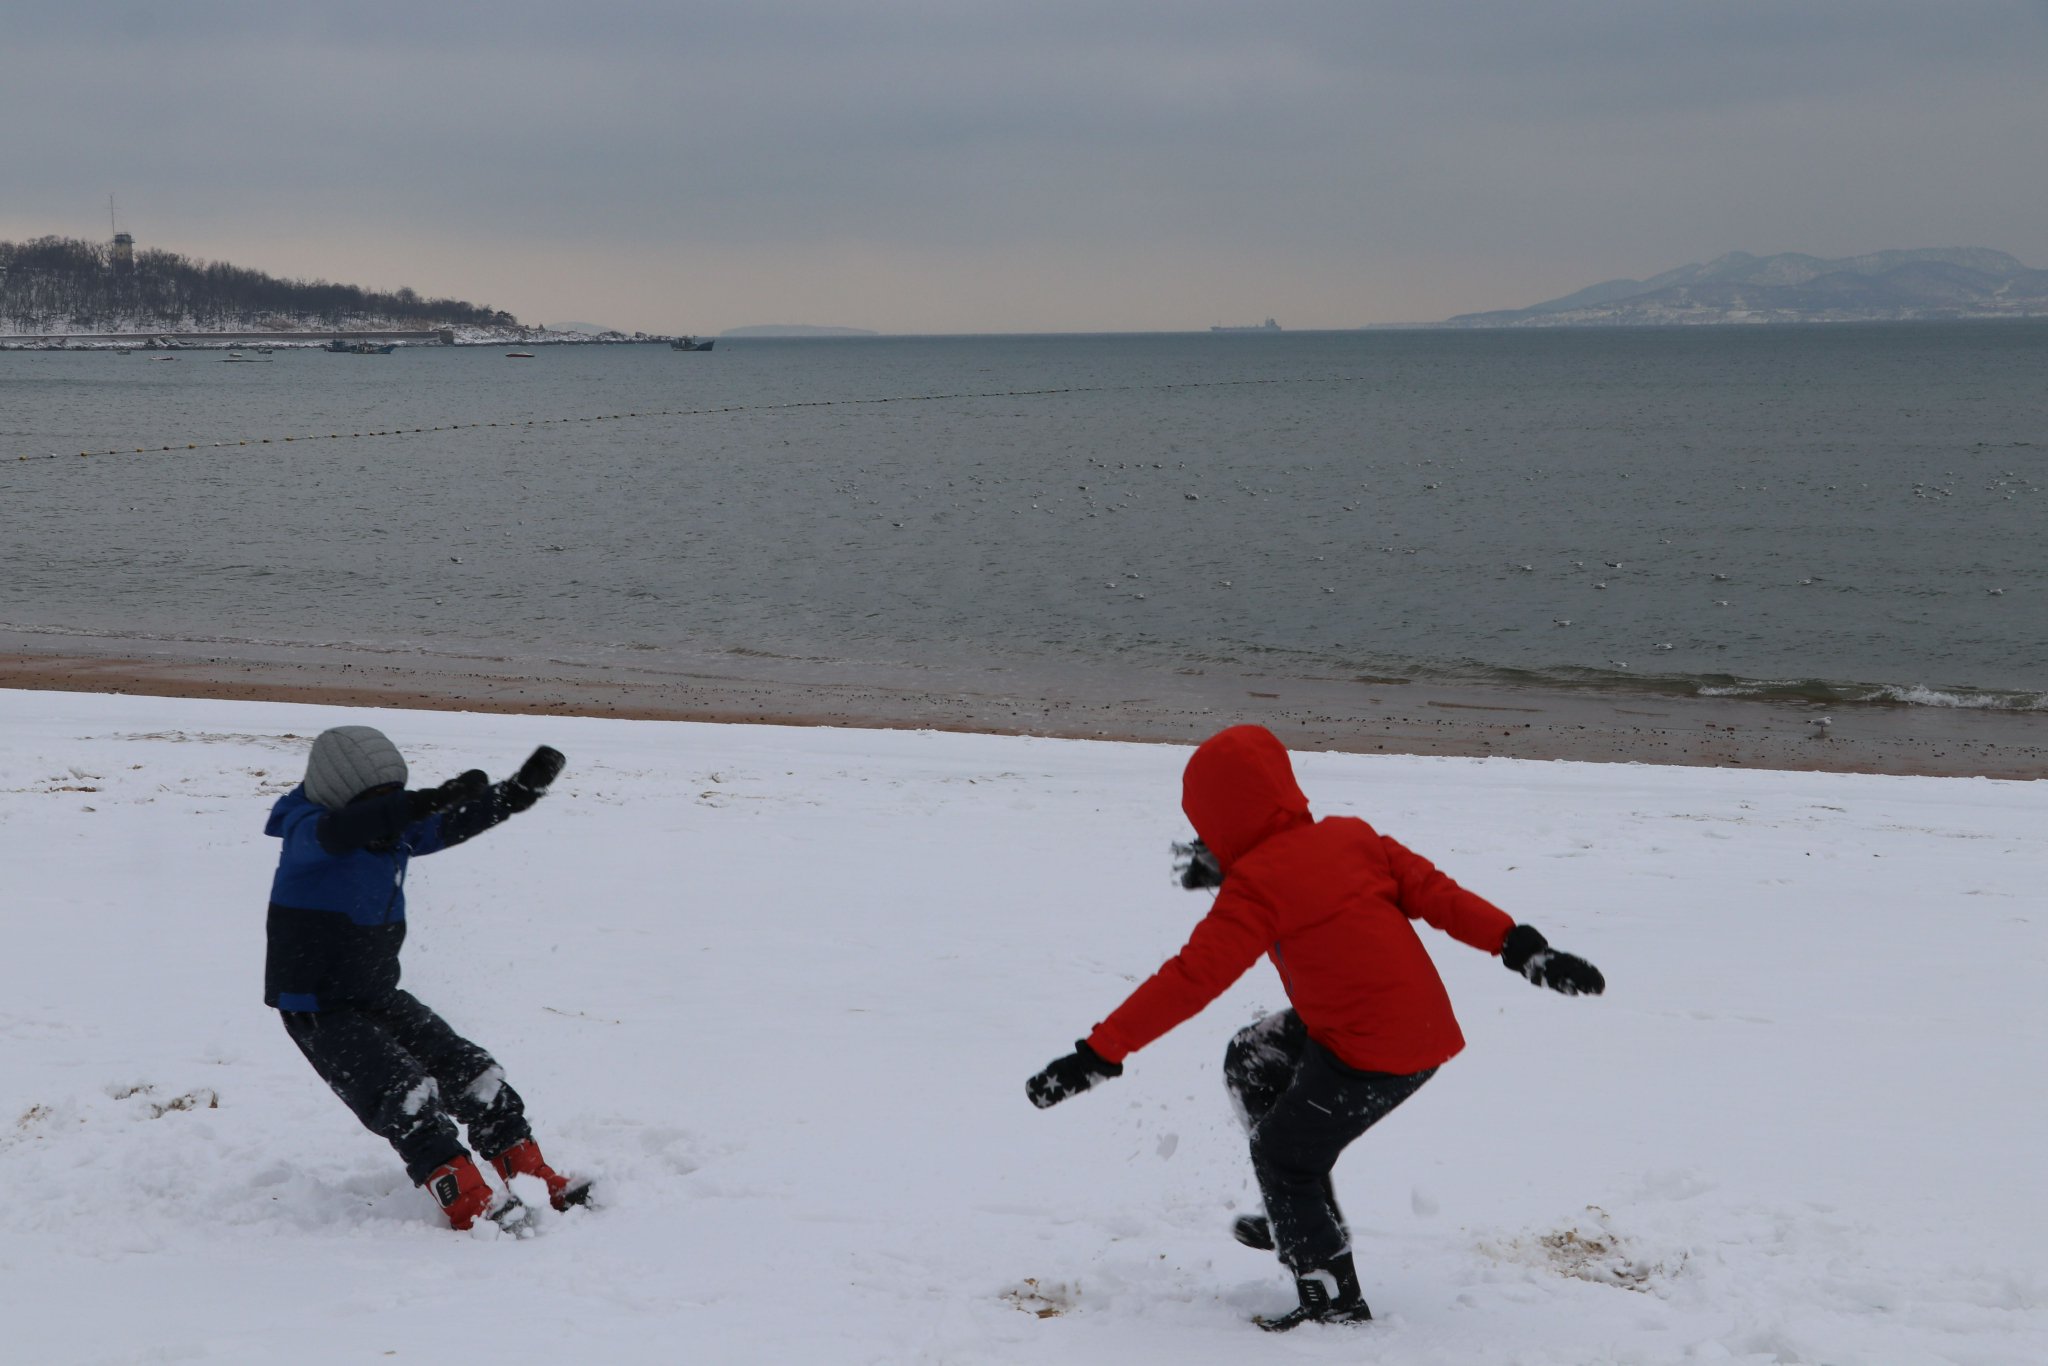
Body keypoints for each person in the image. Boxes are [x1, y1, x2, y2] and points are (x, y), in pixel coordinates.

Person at [1026, 724, 1605, 1330]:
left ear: (1218, 817)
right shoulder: (1351, 839)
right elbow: (1438, 894)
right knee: (1253, 1056)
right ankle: (1296, 1212)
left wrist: (1097, 1054)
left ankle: (1332, 1298)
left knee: (1282, 1155)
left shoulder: (1255, 889)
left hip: (1371, 1051)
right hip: (1412, 1026)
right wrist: (1523, 948)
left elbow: (1190, 979)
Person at [264, 725, 589, 1232]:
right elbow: (348, 828)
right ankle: (465, 1198)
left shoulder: (390, 834)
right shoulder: (311, 833)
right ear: (342, 794)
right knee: (405, 1094)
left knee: (470, 1069)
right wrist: (422, 801)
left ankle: (530, 1172)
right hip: (318, 1007)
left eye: (396, 799)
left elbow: (454, 822)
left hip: (376, 993)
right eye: (380, 802)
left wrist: (516, 793)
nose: (393, 812)